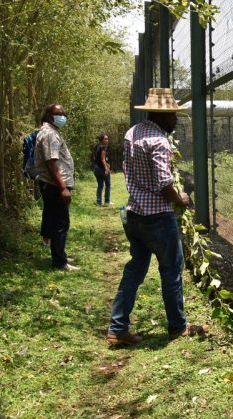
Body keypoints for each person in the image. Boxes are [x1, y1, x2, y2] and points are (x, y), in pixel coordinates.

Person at [106, 88, 207, 345]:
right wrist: (181, 198)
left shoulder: (133, 133)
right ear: (161, 115)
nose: (175, 120)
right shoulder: (159, 141)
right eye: (173, 115)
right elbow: (164, 183)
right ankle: (177, 326)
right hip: (157, 217)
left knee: (135, 270)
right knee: (172, 270)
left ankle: (117, 328)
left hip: (134, 214)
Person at [34, 104, 79, 271]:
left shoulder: (50, 132)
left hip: (52, 185)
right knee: (61, 223)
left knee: (55, 220)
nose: (62, 116)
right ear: (48, 116)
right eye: (58, 113)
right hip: (54, 186)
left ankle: (59, 253)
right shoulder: (49, 134)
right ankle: (60, 262)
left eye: (63, 113)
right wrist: (63, 188)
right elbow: (51, 163)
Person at [93, 133, 112, 206]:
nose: (107, 140)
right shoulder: (103, 147)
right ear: (102, 140)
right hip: (102, 170)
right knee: (108, 185)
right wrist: (106, 168)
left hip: (96, 169)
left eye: (107, 138)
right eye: (105, 139)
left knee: (100, 185)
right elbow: (103, 159)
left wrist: (107, 163)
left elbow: (97, 158)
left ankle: (98, 202)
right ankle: (107, 202)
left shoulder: (97, 146)